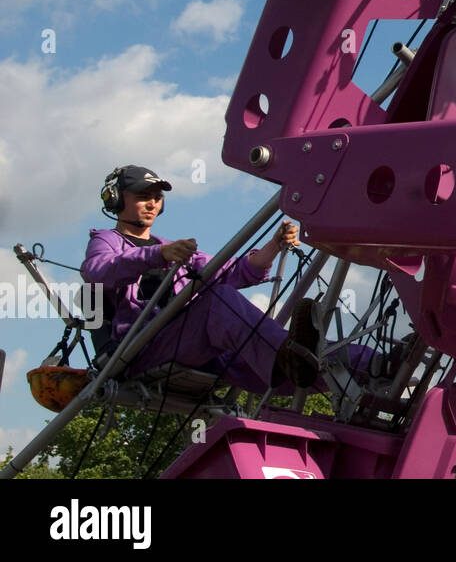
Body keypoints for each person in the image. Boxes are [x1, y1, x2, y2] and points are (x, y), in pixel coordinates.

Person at [83, 165, 378, 399]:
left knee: (295, 358)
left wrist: (274, 245)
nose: (152, 203)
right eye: (142, 196)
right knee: (219, 302)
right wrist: (156, 255)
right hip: (142, 349)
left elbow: (233, 271)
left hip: (195, 347)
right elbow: (95, 270)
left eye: (157, 198)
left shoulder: (173, 248)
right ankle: (287, 354)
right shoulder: (109, 240)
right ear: (117, 199)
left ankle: (378, 365)